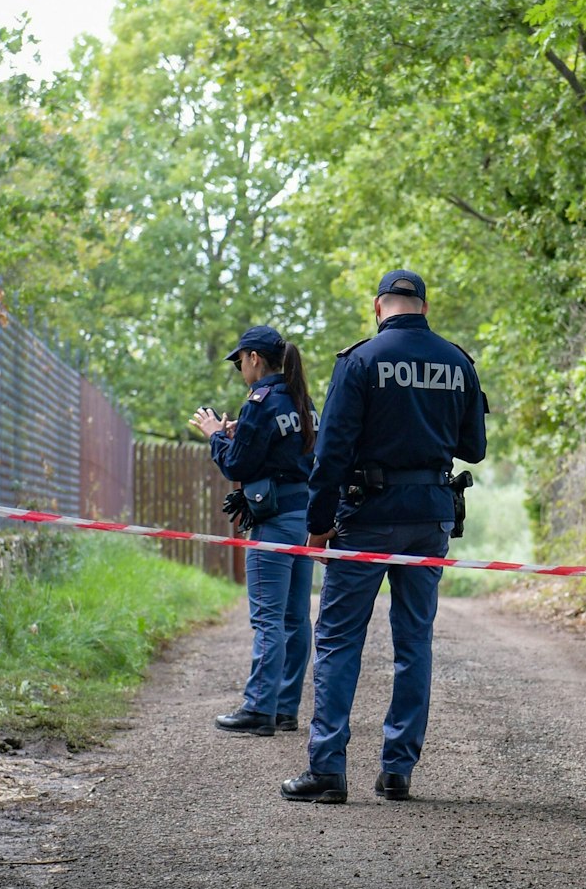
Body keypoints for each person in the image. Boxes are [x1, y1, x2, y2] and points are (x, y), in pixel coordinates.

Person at [279, 269, 488, 804]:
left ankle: (328, 770)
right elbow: (475, 447)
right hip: (430, 517)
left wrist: (319, 524)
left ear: (379, 307)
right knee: (413, 642)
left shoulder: (360, 361)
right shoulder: (458, 362)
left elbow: (331, 453)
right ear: (423, 306)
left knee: (340, 639)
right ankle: (398, 770)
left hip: (365, 519)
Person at [190, 325, 318, 737]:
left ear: (254, 359)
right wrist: (237, 433)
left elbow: (238, 467)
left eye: (240, 361)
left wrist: (214, 436)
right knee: (296, 619)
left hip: (274, 520)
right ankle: (284, 708)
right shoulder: (303, 400)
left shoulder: (260, 402)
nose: (240, 369)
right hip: (304, 517)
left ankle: (258, 709)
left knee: (268, 619)